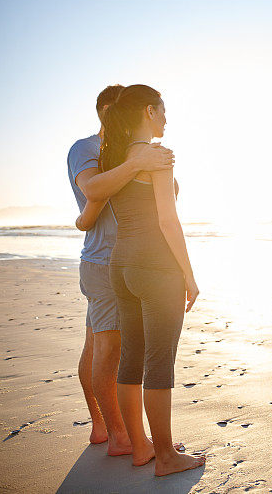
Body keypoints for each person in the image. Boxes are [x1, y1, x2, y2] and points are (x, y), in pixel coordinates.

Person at [91, 84, 205, 476]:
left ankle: (141, 448)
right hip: (156, 266)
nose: (167, 118)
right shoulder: (155, 156)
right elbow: (167, 221)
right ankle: (168, 457)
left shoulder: (114, 156)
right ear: (148, 111)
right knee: (159, 362)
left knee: (132, 357)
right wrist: (189, 275)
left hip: (121, 263)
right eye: (163, 110)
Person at [67, 85, 174, 455]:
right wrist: (137, 164)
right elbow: (94, 192)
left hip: (120, 259)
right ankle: (118, 435)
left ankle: (105, 428)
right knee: (110, 348)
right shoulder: (89, 148)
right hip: (105, 259)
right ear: (105, 110)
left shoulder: (120, 151)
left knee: (99, 344)